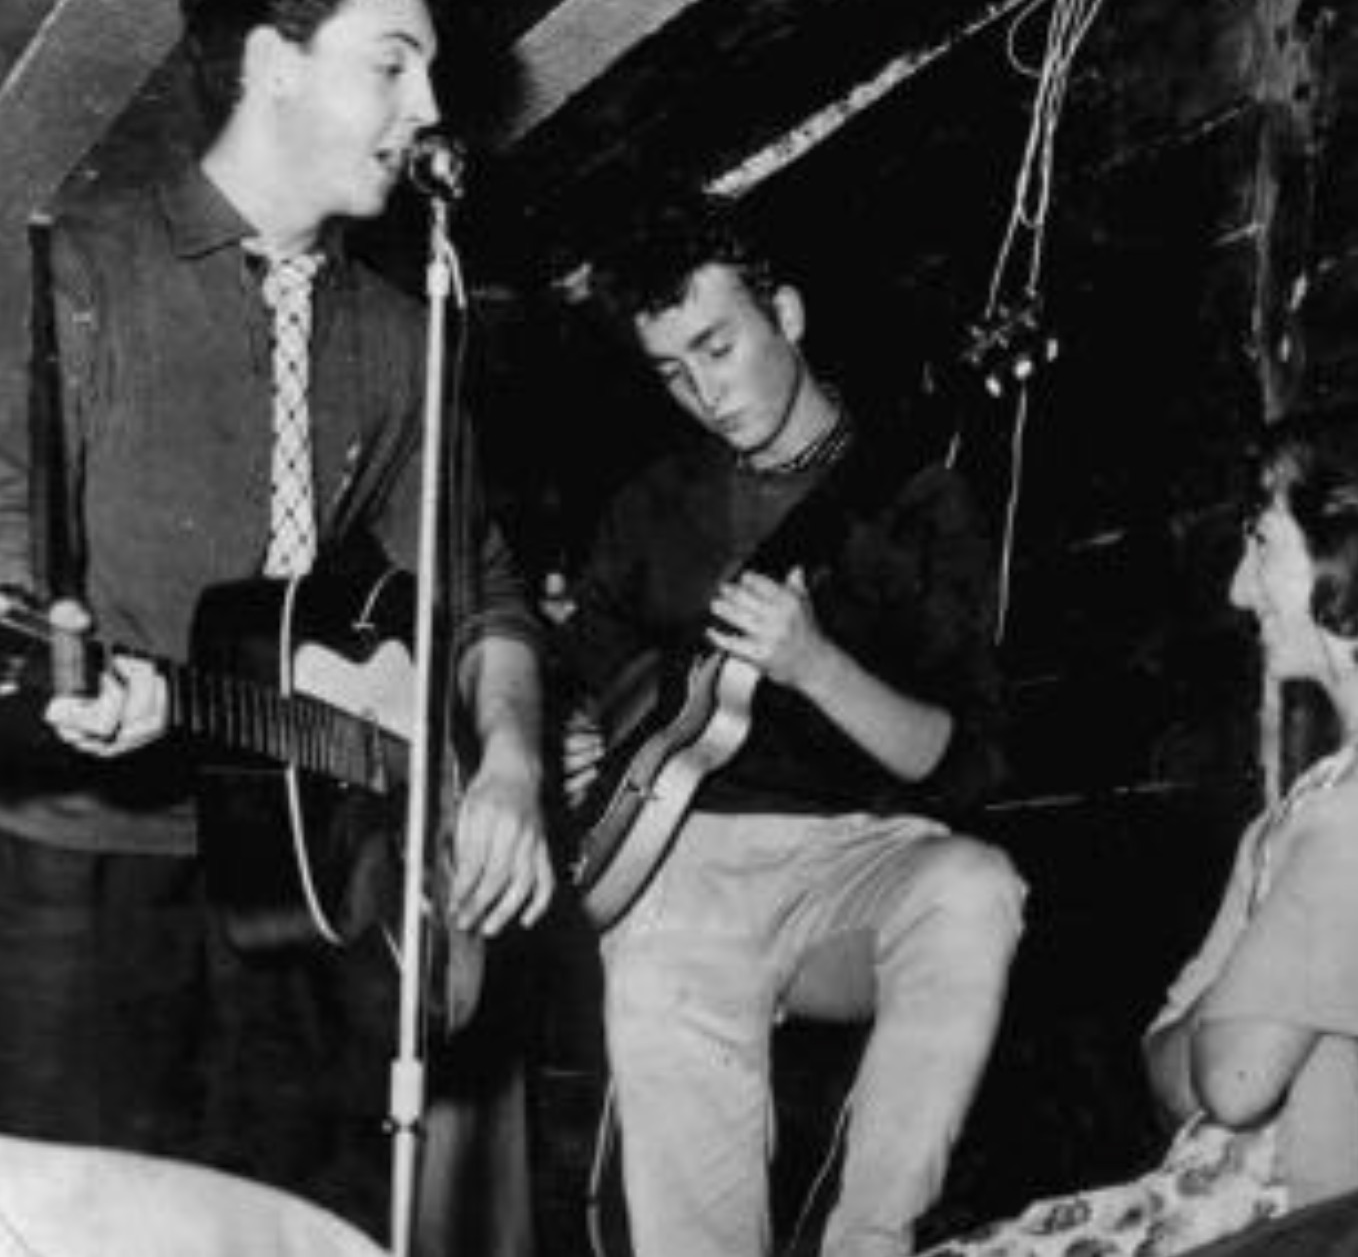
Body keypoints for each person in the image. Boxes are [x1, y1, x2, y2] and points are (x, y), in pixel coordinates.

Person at [0, 0, 553, 1245]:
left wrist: (512, 766)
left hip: (325, 896)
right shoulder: (85, 270)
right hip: (88, 866)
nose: (431, 106)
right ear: (271, 64)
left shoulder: (402, 327)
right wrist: (55, 684)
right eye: (393, 63)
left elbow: (478, 586)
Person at [553, 198, 1028, 1257]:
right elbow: (578, 665)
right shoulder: (649, 506)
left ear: (791, 314)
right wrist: (574, 728)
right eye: (671, 371)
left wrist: (816, 665)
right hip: (682, 861)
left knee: (976, 886)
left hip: (857, 856)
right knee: (654, 966)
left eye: (718, 347)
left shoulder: (916, 493)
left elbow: (961, 759)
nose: (704, 392)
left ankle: (871, 1240)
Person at [918, 412, 1358, 1257]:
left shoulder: (1338, 823)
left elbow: (1228, 1083)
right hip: (1211, 1212)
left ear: (1343, 556)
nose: (1237, 589)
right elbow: (1167, 1069)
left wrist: (1240, 1017)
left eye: (1262, 544)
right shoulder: (1293, 819)